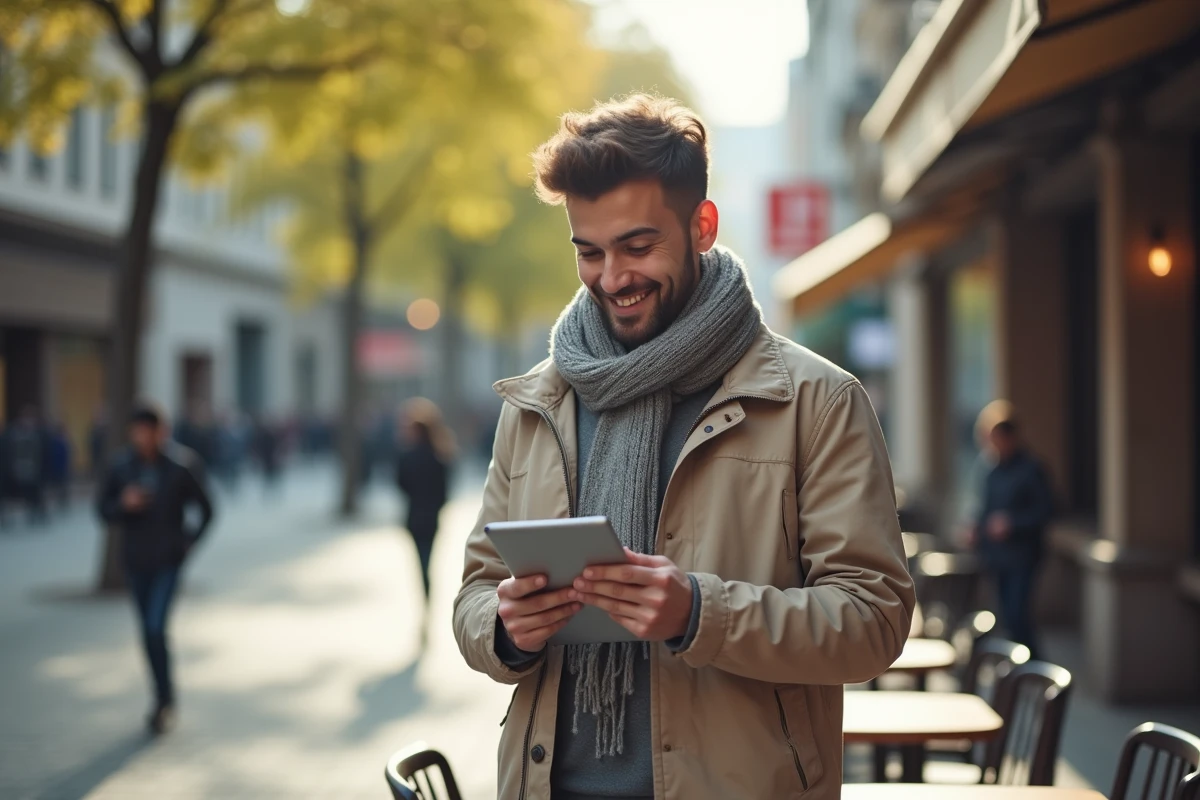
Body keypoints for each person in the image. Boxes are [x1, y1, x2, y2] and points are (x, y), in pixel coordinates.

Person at [452, 95, 915, 800]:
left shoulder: (816, 400)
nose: (613, 278)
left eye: (638, 247)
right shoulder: (539, 402)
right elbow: (474, 597)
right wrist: (508, 628)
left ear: (702, 226)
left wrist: (700, 613)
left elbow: (874, 620)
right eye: (590, 251)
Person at [97, 403, 214, 734]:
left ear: (161, 432)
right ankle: (163, 694)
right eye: (136, 431)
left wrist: (188, 543)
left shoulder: (181, 465)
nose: (142, 437)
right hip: (135, 562)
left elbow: (207, 509)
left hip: (168, 561)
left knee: (154, 628)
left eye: (148, 430)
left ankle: (164, 700)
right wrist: (123, 504)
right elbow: (102, 510)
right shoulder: (121, 467)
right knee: (147, 634)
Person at [967, 404, 1054, 659]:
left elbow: (1047, 511)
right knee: (1005, 616)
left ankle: (1033, 665)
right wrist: (976, 528)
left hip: (1023, 556)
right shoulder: (991, 471)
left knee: (1018, 614)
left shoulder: (1032, 469)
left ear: (1010, 437)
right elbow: (985, 511)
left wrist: (1013, 523)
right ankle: (1018, 667)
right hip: (997, 557)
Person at [396, 398, 455, 643]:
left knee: (420, 565)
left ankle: (425, 607)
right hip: (432, 519)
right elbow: (445, 493)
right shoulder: (441, 457)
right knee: (427, 564)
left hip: (413, 519)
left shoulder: (407, 456)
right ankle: (427, 606)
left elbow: (400, 484)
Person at [7, 406, 48, 524]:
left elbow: (40, 453)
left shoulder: (37, 434)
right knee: (23, 493)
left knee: (35, 493)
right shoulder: (16, 435)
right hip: (21, 468)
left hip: (34, 469)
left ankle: (36, 513)